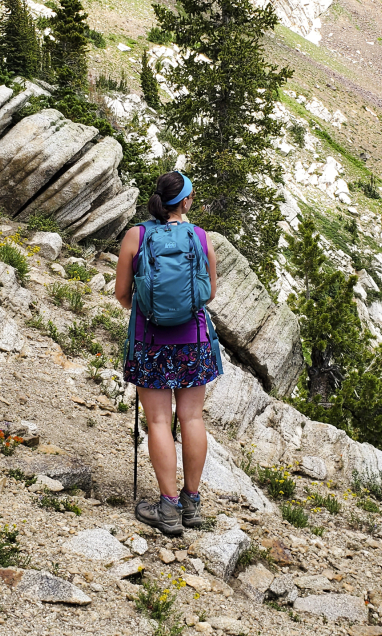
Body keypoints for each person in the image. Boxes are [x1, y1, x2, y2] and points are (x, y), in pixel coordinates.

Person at [115, 171, 221, 537]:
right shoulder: (200, 237)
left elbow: (121, 293)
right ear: (186, 202)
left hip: (150, 342)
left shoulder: (136, 235)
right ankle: (192, 503)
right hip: (194, 341)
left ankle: (169, 508)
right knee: (192, 419)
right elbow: (209, 294)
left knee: (159, 422)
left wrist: (148, 309)